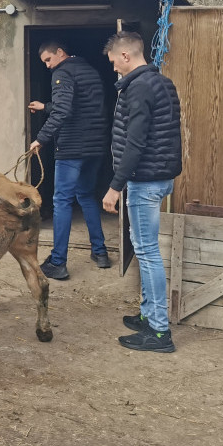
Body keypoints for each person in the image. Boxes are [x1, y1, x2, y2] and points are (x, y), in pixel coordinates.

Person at [101, 31, 181, 354]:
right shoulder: (161, 82)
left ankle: (159, 332)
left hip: (144, 181)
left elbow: (135, 142)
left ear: (125, 56)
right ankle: (148, 316)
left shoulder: (139, 88)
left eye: (113, 62)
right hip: (159, 177)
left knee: (147, 252)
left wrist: (115, 186)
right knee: (145, 249)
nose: (113, 69)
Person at [28, 39, 111, 280]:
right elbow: (78, 106)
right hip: (95, 147)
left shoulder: (62, 73)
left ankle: (58, 262)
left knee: (61, 201)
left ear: (60, 52)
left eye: (48, 59)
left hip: (73, 148)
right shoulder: (89, 70)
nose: (47, 66)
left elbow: (64, 110)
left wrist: (41, 138)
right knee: (86, 195)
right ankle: (100, 252)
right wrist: (45, 106)